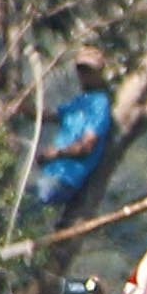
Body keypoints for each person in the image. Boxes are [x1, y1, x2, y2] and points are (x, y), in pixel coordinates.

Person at [30, 49, 115, 210]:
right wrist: (24, 108)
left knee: (28, 208)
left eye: (89, 71)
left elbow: (87, 146)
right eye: (81, 70)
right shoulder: (80, 101)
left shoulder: (100, 104)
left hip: (66, 177)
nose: (83, 75)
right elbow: (50, 115)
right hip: (51, 173)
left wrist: (57, 153)